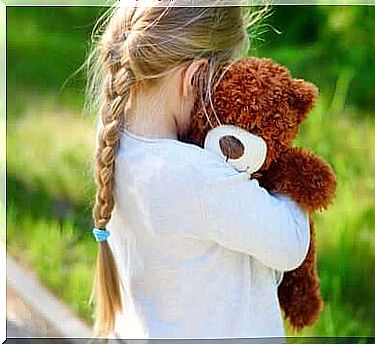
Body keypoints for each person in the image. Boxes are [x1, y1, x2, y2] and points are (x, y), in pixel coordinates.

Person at [86, 0, 310, 339]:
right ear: (195, 78)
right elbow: (291, 245)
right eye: (223, 78)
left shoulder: (115, 139)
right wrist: (286, 170)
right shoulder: (199, 176)